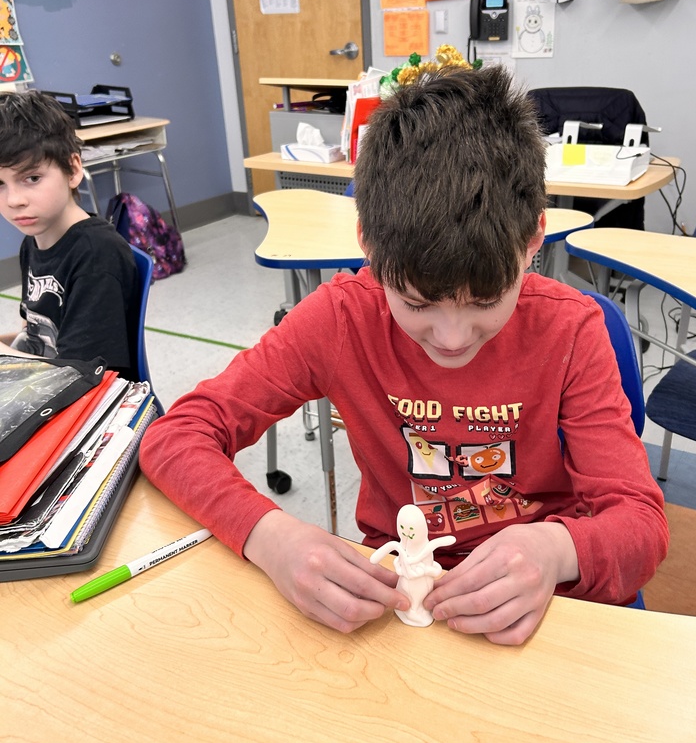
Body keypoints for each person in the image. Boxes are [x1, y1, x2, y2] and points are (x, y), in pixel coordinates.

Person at [139, 63, 668, 645]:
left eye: (486, 301)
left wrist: (556, 548)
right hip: (395, 608)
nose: (451, 337)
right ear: (367, 243)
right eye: (416, 303)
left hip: (538, 605)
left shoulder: (571, 331)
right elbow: (175, 436)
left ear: (532, 242)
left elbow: (640, 526)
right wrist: (272, 537)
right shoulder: (340, 320)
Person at [0, 89, 139, 379]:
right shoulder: (34, 240)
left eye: (32, 178)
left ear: (73, 169)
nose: (14, 200)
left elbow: (83, 374)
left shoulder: (96, 255)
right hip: (49, 380)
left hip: (87, 401)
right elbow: (37, 337)